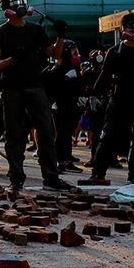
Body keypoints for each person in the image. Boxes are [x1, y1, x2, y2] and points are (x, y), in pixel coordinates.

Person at [0, 0, 72, 191]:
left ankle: (51, 177)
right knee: (14, 135)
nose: (20, 4)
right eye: (14, 1)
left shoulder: (36, 30)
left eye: (21, 0)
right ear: (6, 6)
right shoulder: (1, 33)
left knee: (46, 132)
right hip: (12, 89)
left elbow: (56, 55)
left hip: (36, 86)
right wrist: (12, 59)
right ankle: (16, 176)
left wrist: (60, 36)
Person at [88, 12, 134, 183]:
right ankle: (98, 173)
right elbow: (104, 76)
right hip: (120, 100)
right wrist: (94, 95)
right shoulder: (115, 51)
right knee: (108, 138)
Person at [44, 39, 84, 173]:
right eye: (74, 51)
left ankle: (65, 160)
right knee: (62, 135)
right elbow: (50, 87)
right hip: (61, 106)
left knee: (66, 134)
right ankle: (60, 162)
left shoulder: (72, 68)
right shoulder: (57, 69)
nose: (76, 54)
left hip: (71, 105)